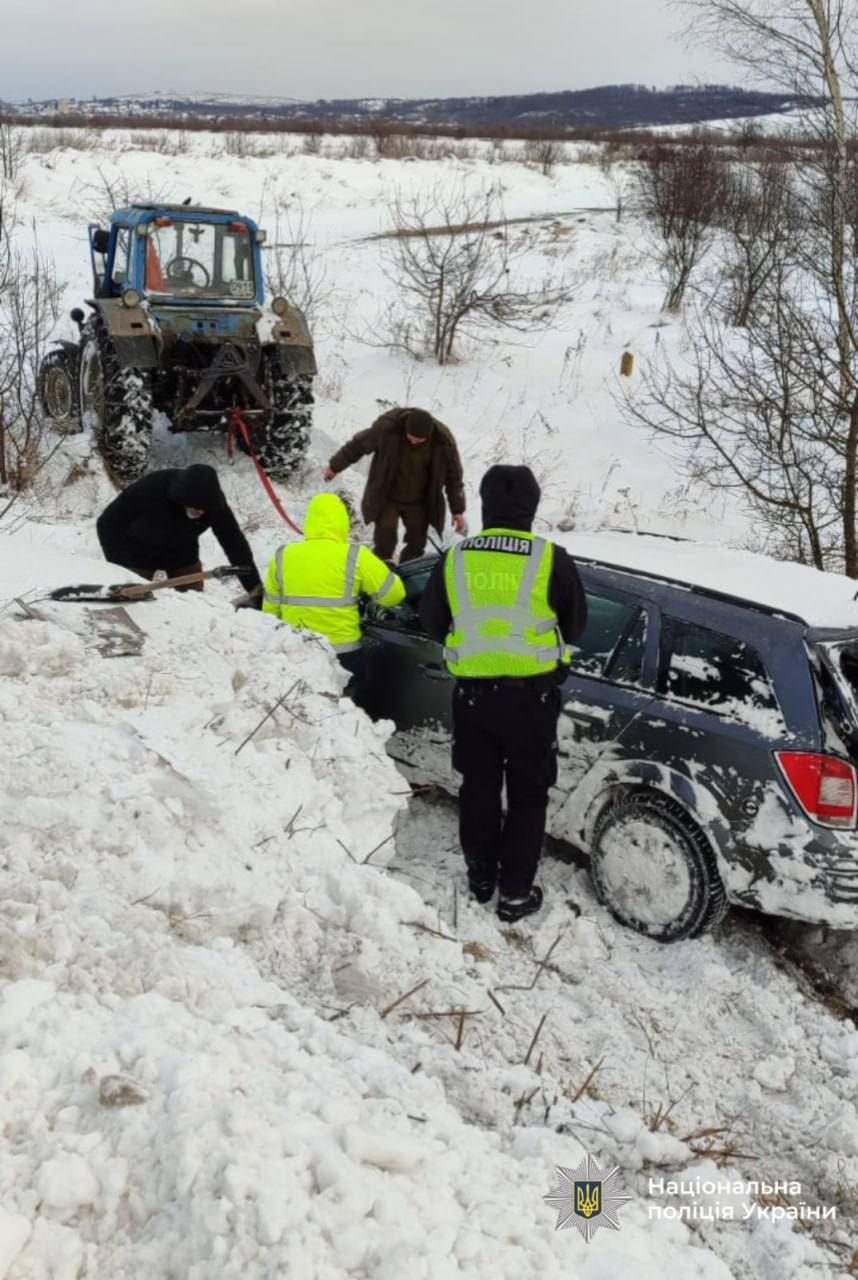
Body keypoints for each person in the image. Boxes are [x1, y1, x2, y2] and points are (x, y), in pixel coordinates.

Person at [419, 464, 588, 923]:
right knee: (529, 796)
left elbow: (431, 620)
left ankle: (480, 879)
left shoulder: (456, 558)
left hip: (473, 698)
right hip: (531, 701)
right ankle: (514, 893)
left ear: (485, 503)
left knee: (479, 788)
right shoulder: (550, 558)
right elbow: (576, 625)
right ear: (531, 508)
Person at [262, 492, 405, 693]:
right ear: (342, 522)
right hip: (344, 655)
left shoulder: (283, 555)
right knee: (342, 712)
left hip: (296, 651)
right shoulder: (356, 555)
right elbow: (394, 595)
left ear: (309, 521)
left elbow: (269, 612)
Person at [323, 406, 467, 564]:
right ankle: (383, 575)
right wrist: (334, 466)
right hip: (387, 496)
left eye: (419, 440)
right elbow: (358, 446)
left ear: (429, 436)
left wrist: (457, 510)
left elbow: (454, 477)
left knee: (417, 543)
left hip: (420, 501)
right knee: (385, 539)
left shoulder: (443, 442)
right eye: (410, 437)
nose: (413, 442)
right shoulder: (387, 428)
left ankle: (407, 575)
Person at [96, 464, 262, 597]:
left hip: (182, 552)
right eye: (195, 508)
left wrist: (255, 592)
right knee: (135, 605)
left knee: (194, 603)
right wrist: (119, 567)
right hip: (137, 550)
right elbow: (106, 524)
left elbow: (234, 543)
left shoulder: (214, 503)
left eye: (203, 509)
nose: (200, 512)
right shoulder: (150, 489)